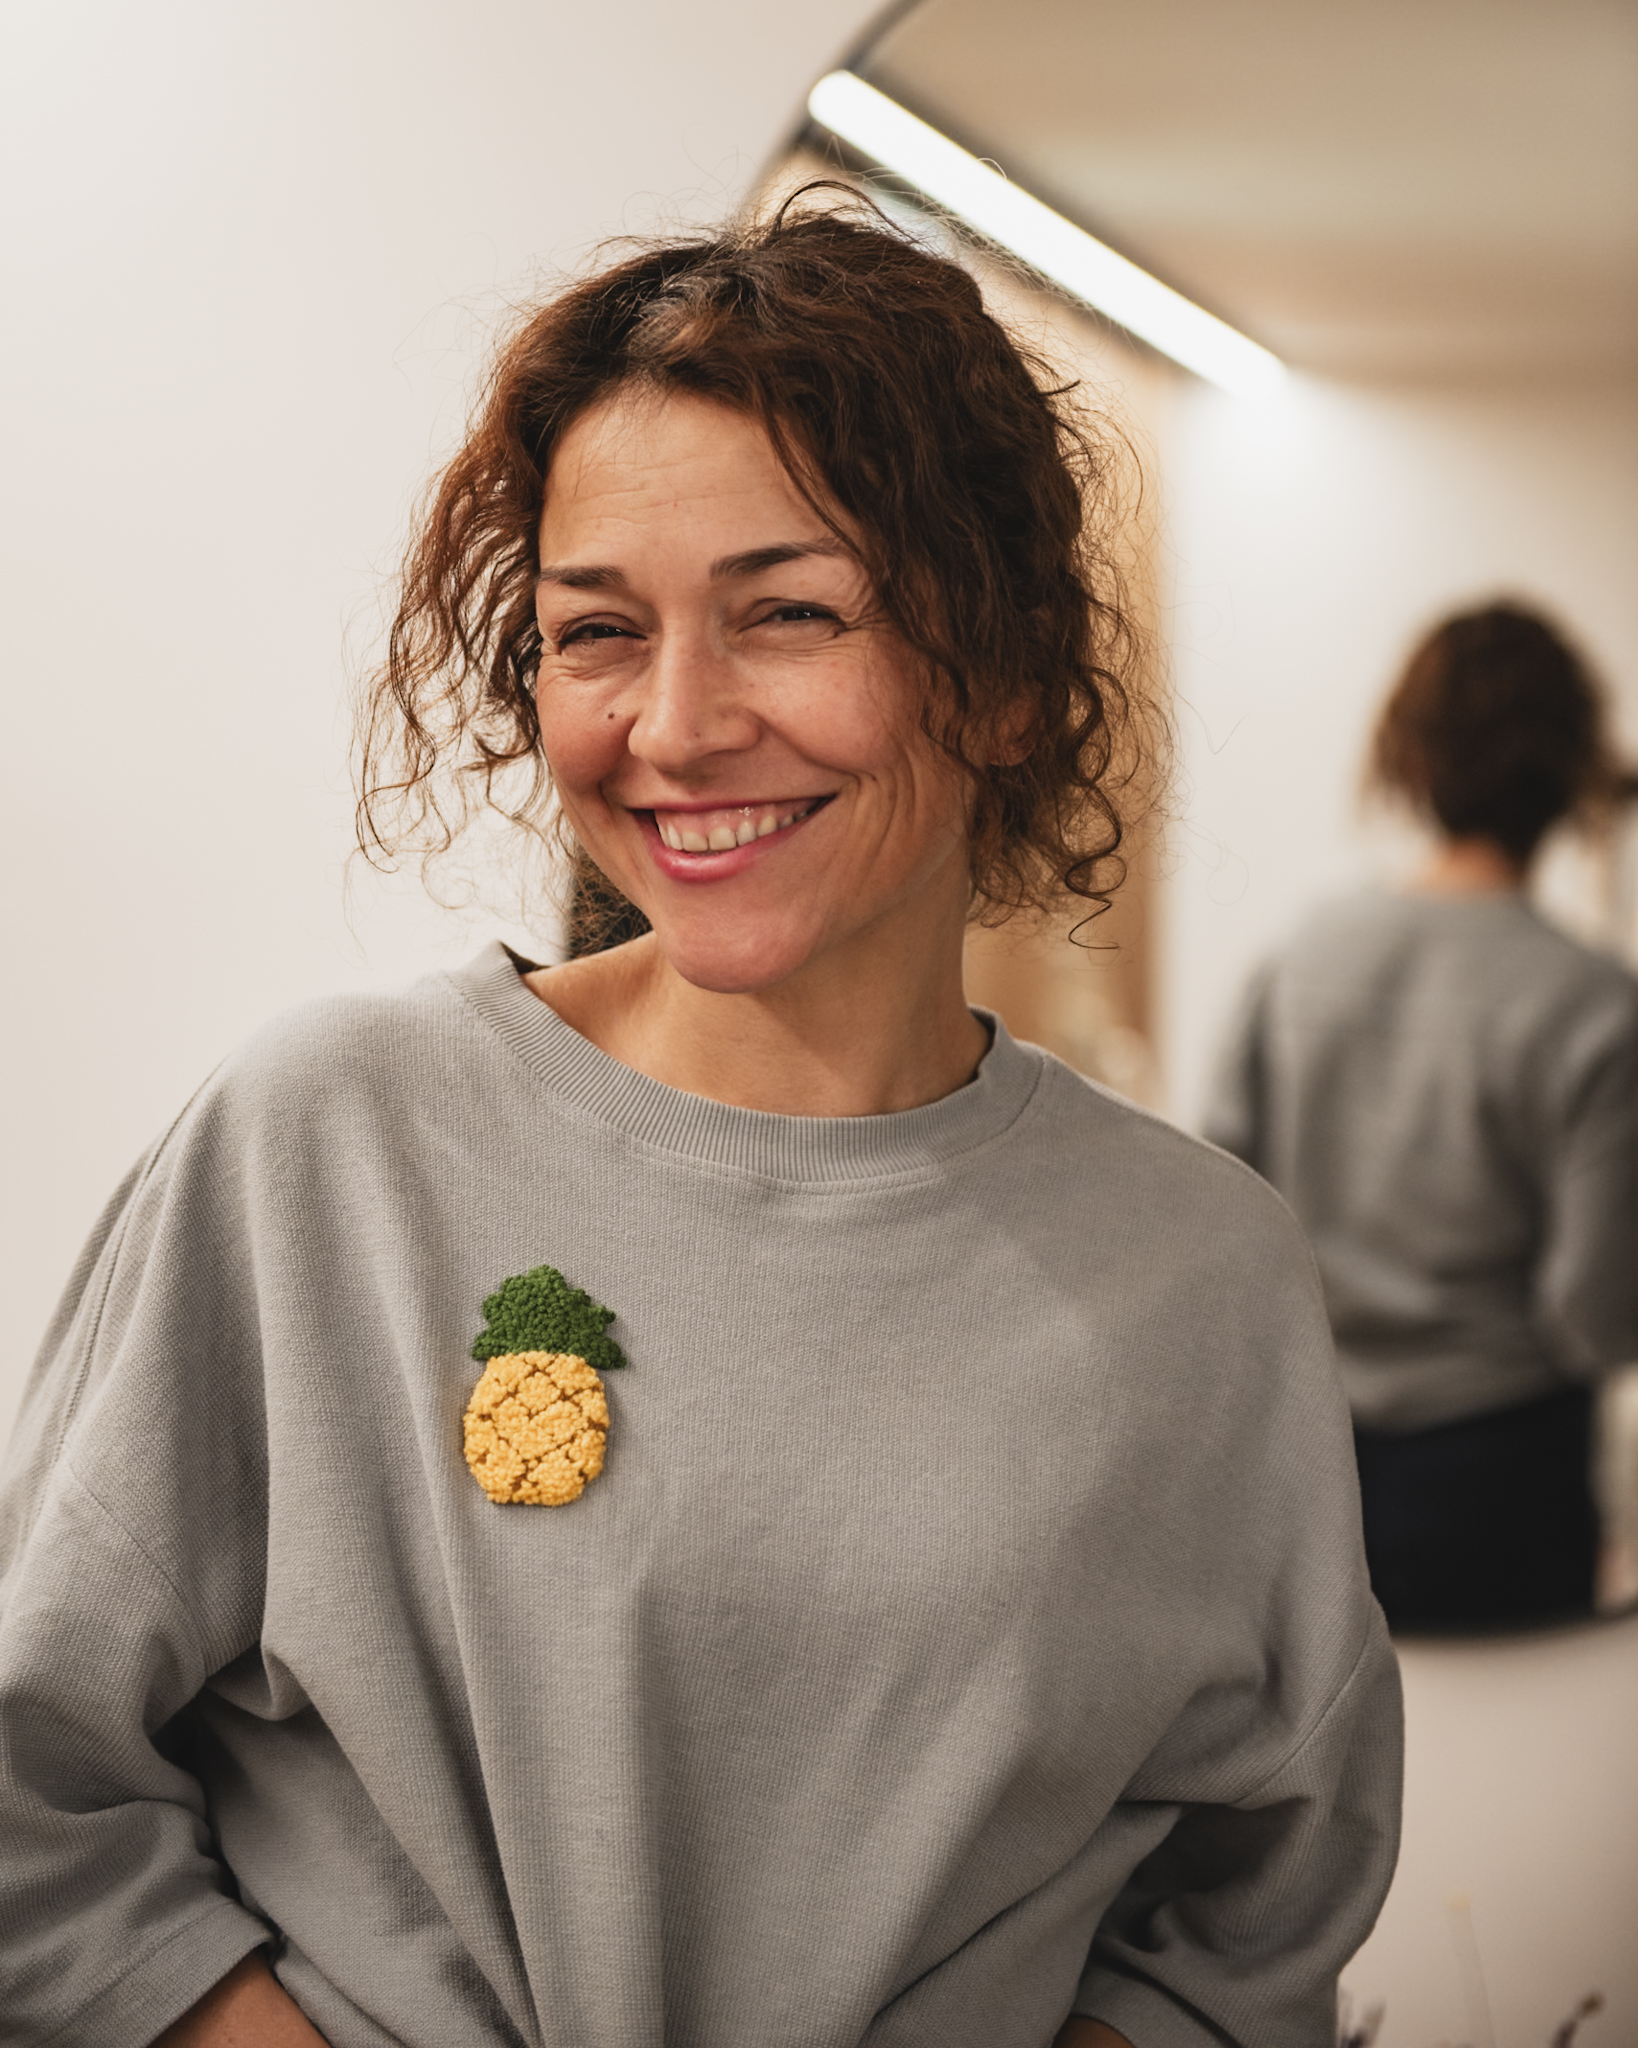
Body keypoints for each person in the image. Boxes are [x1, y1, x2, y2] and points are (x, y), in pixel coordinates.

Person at [0, 193, 1399, 2048]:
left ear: (993, 672)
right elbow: (31, 1795)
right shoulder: (328, 1143)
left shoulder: (1199, 1269)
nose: (671, 723)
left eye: (787, 614)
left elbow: (1251, 1912)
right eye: (595, 631)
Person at [1206, 602, 1638, 1634]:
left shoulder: (1302, 956)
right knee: (1500, 1781)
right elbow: (1592, 1312)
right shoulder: (1591, 1001)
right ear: (1570, 772)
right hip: (1503, 1472)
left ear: (1410, 756)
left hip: (1305, 1461)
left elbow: (1215, 1205)